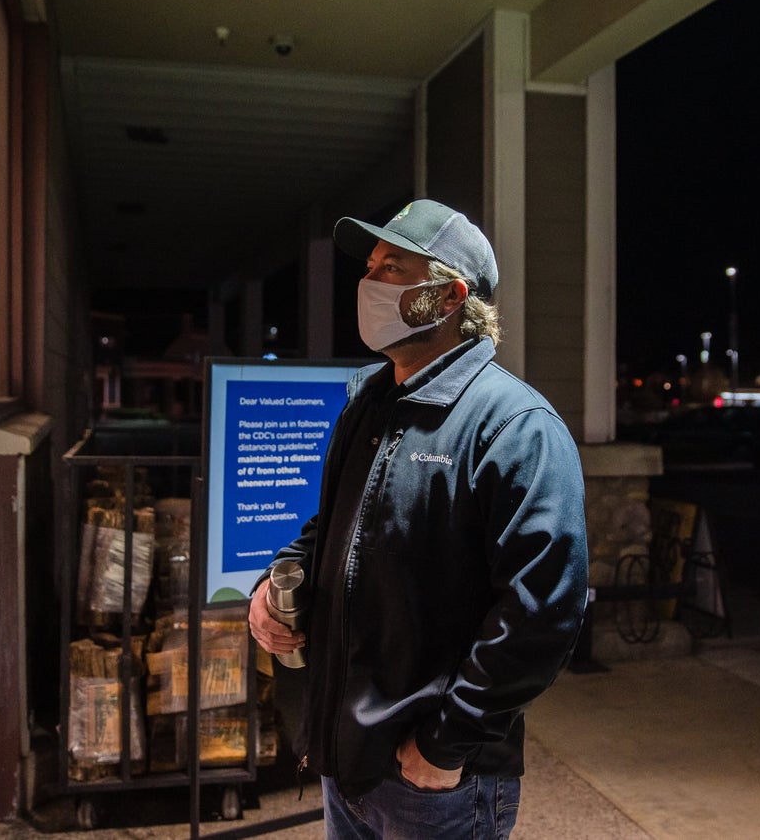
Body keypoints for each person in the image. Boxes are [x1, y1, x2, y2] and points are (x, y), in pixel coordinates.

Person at [248, 199, 588, 839]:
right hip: (345, 756)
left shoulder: (515, 427)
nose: (369, 282)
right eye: (371, 265)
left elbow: (543, 611)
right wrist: (279, 578)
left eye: (392, 268)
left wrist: (445, 744)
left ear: (448, 296)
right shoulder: (371, 404)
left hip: (434, 782)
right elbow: (335, 531)